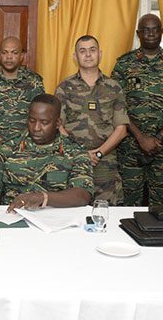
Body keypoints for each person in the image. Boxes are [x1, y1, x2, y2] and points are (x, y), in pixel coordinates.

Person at [112, 14, 163, 206]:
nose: (151, 34)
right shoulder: (124, 63)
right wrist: (141, 138)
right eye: (146, 30)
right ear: (138, 33)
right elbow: (117, 105)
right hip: (130, 147)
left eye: (155, 29)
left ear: (161, 32)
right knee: (128, 204)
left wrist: (158, 138)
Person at [0, 94, 93, 212]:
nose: (36, 128)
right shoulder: (8, 148)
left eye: (44, 122)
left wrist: (44, 197)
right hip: (12, 217)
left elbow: (82, 195)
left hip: (55, 220)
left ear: (58, 123)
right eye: (32, 121)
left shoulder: (75, 151)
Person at [55, 35, 129, 205]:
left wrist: (98, 153)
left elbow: (121, 129)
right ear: (75, 57)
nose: (88, 55)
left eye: (92, 50)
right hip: (72, 162)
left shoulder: (114, 87)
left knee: (107, 216)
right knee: (73, 215)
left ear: (100, 54)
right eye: (82, 51)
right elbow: (57, 126)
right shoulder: (64, 87)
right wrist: (80, 154)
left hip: (105, 164)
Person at [0, 36, 44, 150]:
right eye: (4, 52)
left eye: (14, 53)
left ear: (21, 56)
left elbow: (41, 117)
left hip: (26, 150)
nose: (9, 57)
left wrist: (22, 146)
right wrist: (3, 145)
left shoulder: (34, 81)